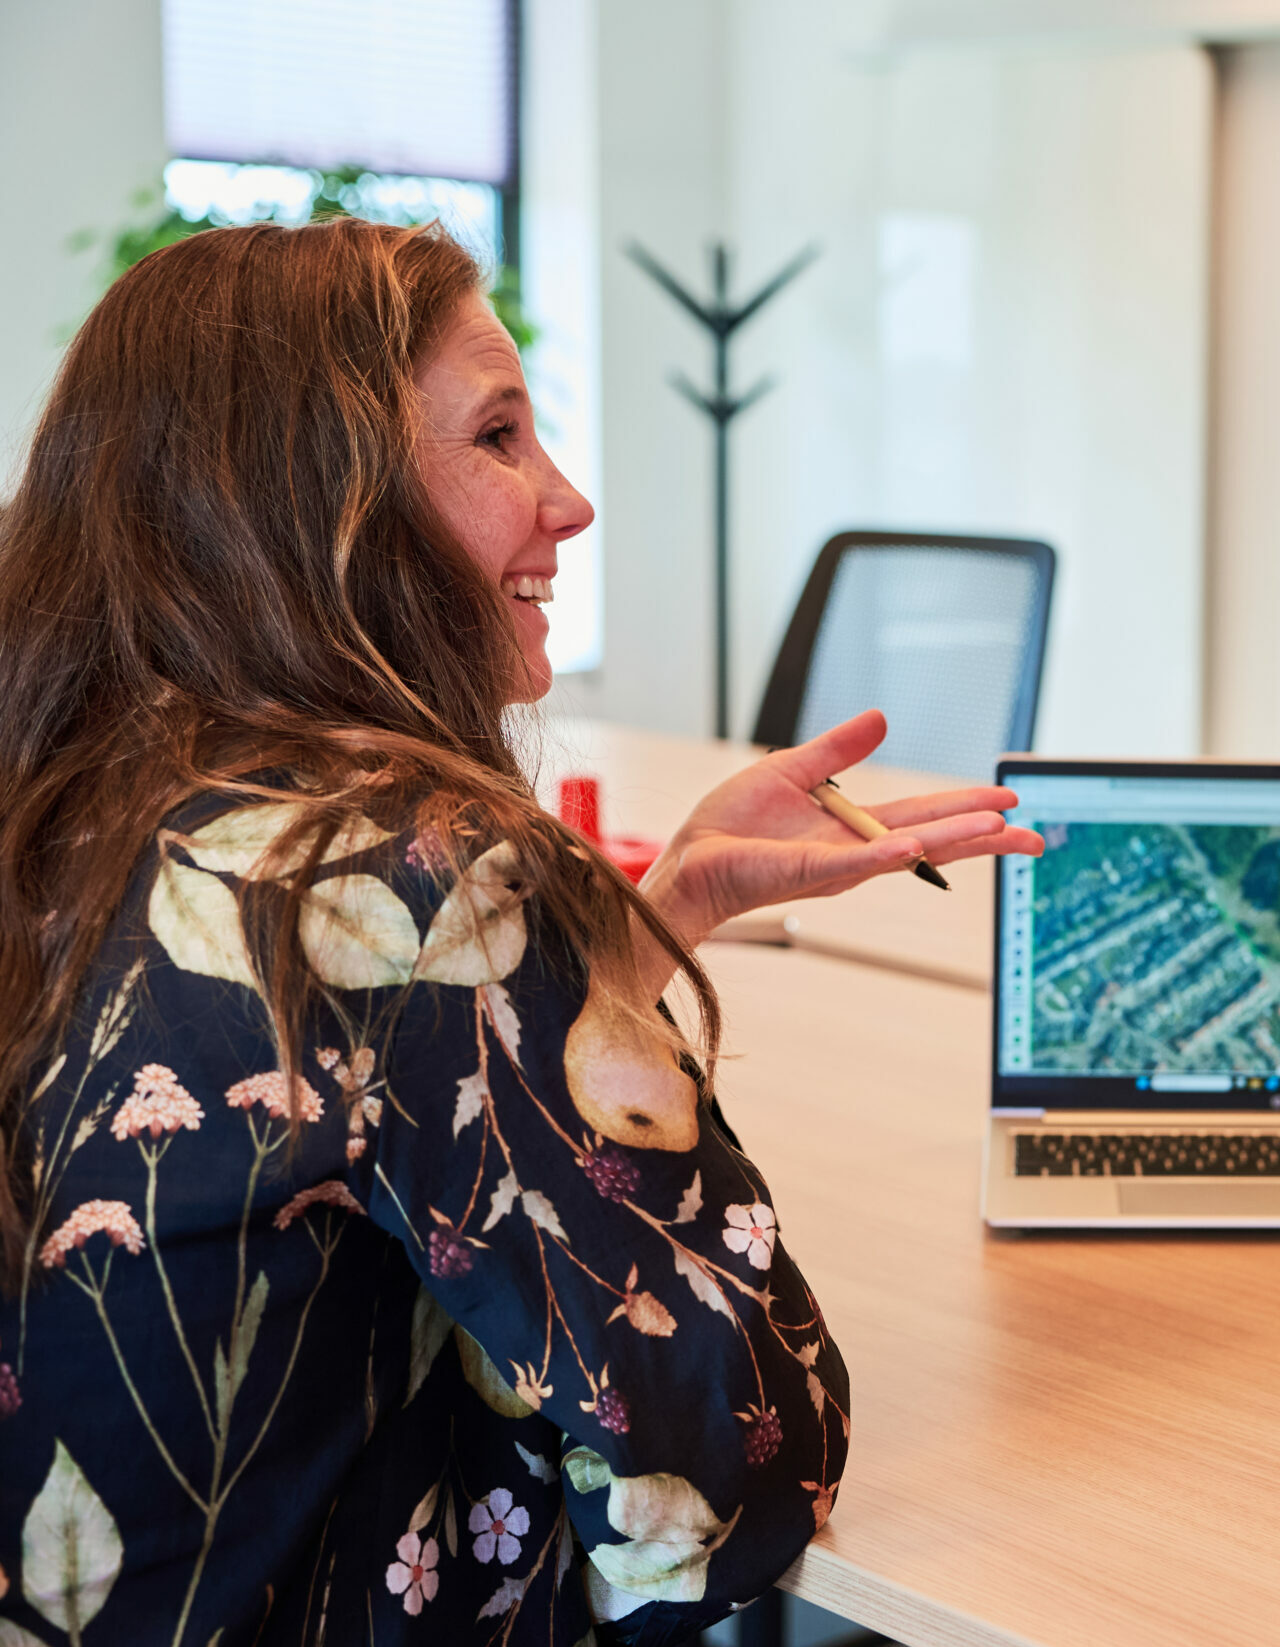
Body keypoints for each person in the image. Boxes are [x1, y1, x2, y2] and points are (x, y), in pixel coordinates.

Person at [0, 218, 1042, 1646]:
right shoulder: (392, 872)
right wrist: (536, 940)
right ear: (322, 501)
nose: (570, 500)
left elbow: (348, 1092)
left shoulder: (69, 815)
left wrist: (646, 919)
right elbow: (732, 1472)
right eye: (498, 436)